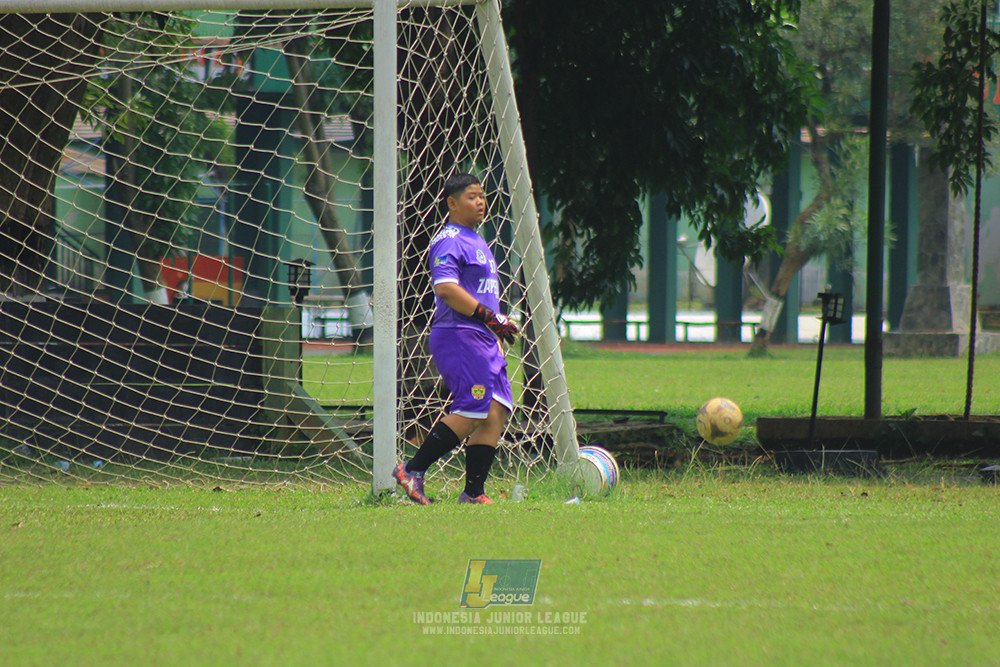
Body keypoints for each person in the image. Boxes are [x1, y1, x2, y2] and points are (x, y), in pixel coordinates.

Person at [392, 173, 519, 505]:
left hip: (485, 338)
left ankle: (473, 493)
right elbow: (446, 289)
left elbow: (482, 294)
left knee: (495, 411)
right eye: (472, 197)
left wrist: (496, 330)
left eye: (483, 196)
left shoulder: (477, 239)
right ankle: (412, 469)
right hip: (460, 335)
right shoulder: (449, 239)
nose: (481, 202)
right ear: (452, 203)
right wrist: (490, 318)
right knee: (474, 408)